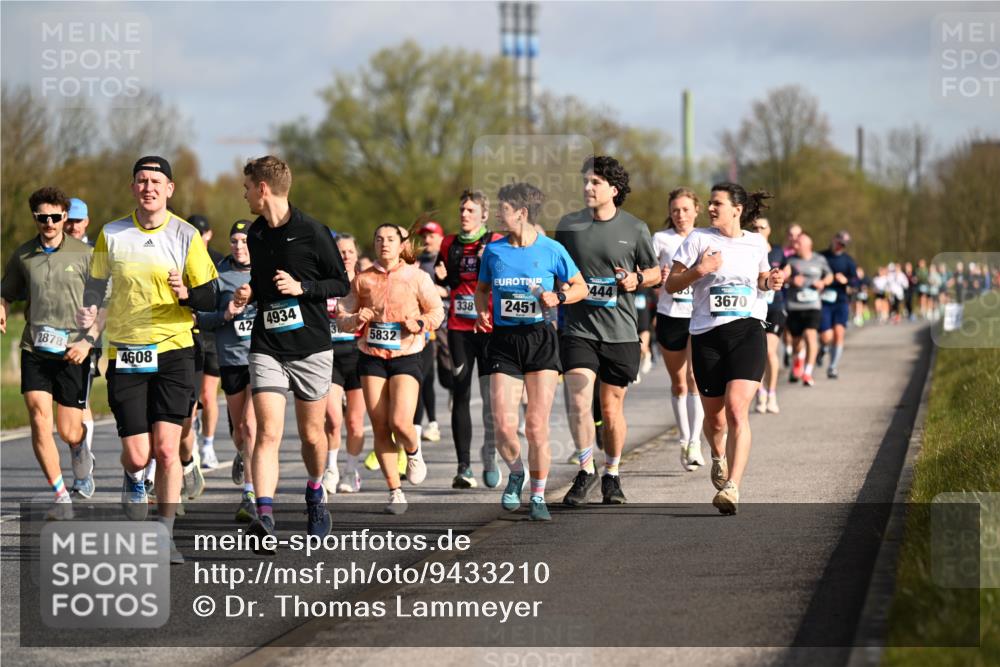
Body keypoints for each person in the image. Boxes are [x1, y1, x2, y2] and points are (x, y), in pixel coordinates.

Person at [78, 156, 218, 563]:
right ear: (133, 187)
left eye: (156, 181)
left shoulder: (185, 234)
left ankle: (164, 534)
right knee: (139, 454)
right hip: (126, 350)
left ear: (170, 189)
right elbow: (95, 284)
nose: (149, 187)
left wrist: (186, 293)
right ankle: (133, 475)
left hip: (174, 348)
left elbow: (210, 296)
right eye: (142, 181)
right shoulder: (112, 234)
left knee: (167, 450)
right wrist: (89, 311)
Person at [231, 155, 349, 552]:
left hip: (312, 348)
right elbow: (263, 284)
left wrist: (303, 289)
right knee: (266, 432)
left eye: (247, 187)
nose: (244, 193)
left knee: (313, 435)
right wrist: (251, 293)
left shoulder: (313, 232)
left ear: (263, 188)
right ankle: (264, 516)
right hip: (267, 346)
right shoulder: (256, 235)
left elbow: (340, 283)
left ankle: (315, 491)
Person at [666, 182, 783, 515]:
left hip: (747, 330)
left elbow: (761, 280)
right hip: (707, 335)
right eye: (710, 203)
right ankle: (717, 455)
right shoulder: (698, 240)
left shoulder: (756, 242)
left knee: (736, 410)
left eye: (717, 203)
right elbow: (672, 284)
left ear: (737, 209)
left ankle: (732, 486)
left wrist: (770, 282)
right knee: (715, 421)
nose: (711, 209)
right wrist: (700, 270)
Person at [475, 182, 587, 521]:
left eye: (503, 209)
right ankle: (516, 472)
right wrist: (482, 309)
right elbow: (482, 289)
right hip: (504, 341)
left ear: (521, 214)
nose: (497, 213)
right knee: (504, 425)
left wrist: (560, 297)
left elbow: (580, 286)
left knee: (537, 426)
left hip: (540, 339)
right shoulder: (494, 252)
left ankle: (537, 495)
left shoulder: (551, 249)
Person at [556, 156, 659, 506]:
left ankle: (612, 474)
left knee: (611, 410)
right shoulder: (568, 226)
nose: (587, 187)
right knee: (579, 399)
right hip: (578, 329)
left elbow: (656, 272)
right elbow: (557, 270)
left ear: (613, 191)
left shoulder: (635, 228)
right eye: (585, 181)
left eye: (595, 182)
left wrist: (637, 279)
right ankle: (586, 469)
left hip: (621, 332)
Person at [1, 187, 98, 520]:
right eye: (43, 217)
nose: (50, 223)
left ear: (64, 217)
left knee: (68, 430)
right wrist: (1, 305)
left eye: (56, 217)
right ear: (35, 218)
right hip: (35, 348)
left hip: (73, 350)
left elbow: (106, 299)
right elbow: (7, 290)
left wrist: (88, 340)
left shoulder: (84, 255)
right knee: (39, 419)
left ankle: (79, 447)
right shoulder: (23, 255)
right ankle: (61, 497)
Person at [336, 224, 444, 514]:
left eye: (391, 239)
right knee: (380, 425)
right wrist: (357, 318)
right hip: (371, 356)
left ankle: (413, 449)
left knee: (400, 422)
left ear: (401, 245)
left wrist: (420, 323)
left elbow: (437, 311)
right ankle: (395, 491)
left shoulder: (417, 277)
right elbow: (341, 316)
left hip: (406, 354)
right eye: (379, 239)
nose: (384, 244)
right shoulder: (363, 279)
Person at [434, 190, 505, 489]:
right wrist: (440, 277)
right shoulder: (448, 244)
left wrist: (488, 261)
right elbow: (445, 281)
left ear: (484, 216)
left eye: (471, 210)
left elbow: (506, 280)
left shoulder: (498, 242)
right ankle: (463, 467)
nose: (464, 214)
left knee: (491, 400)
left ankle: (489, 454)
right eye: (462, 209)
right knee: (460, 394)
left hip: (489, 328)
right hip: (459, 327)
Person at [197, 220, 258, 522]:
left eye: (245, 241)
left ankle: (250, 493)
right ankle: (241, 454)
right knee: (239, 432)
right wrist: (225, 314)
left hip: (262, 359)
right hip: (231, 360)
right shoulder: (218, 276)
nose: (239, 247)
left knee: (249, 425)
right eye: (234, 241)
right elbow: (200, 318)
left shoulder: (267, 272)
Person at [652, 187, 705, 470]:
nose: (680, 215)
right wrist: (656, 278)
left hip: (698, 316)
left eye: (685, 209)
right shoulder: (661, 239)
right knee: (679, 382)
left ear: (697, 210)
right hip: (670, 315)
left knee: (696, 377)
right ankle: (684, 439)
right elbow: (647, 274)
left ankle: (695, 441)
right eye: (675, 210)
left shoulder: (707, 238)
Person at [323, 233, 368, 494]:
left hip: (358, 354)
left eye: (350, 251)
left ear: (356, 254)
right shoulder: (327, 283)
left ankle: (351, 471)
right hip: (330, 356)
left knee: (354, 421)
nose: (346, 256)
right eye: (341, 251)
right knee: (331, 417)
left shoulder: (364, 283)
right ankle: (331, 467)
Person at [186, 214, 223, 469]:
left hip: (213, 335)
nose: (197, 237)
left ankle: (207, 444)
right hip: (187, 334)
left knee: (208, 396)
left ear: (208, 234)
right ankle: (191, 437)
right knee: (191, 399)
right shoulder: (178, 257)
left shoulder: (220, 260)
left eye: (201, 233)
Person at [63, 197, 98, 453]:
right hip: (54, 337)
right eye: (69, 221)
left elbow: (108, 294)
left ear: (86, 222)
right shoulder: (50, 252)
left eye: (78, 221)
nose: (73, 227)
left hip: (86, 338)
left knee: (81, 399)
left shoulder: (98, 254)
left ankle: (83, 464)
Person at [413, 220, 446, 445]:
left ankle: (454, 393)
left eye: (431, 236)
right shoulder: (416, 263)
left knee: (447, 375)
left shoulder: (444, 261)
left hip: (447, 324)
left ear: (441, 238)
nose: (427, 240)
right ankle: (430, 424)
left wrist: (439, 289)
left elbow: (457, 288)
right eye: (424, 236)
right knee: (425, 376)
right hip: (426, 329)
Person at [785, 234, 832, 387]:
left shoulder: (819, 259)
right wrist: (791, 280)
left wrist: (823, 282)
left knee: (811, 335)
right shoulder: (790, 260)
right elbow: (782, 276)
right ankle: (798, 360)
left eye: (798, 243)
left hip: (813, 305)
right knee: (796, 342)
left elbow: (829, 275)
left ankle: (808, 372)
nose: (795, 245)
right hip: (794, 306)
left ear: (807, 245)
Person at [751, 217, 785, 414]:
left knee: (769, 352)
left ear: (769, 230)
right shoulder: (747, 248)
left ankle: (771, 393)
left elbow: (787, 271)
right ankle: (760, 391)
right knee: (758, 354)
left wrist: (781, 277)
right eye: (754, 227)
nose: (757, 230)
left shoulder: (779, 251)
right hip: (755, 307)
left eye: (762, 227)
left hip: (775, 306)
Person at [818, 231, 858, 379]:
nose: (841, 247)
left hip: (841, 300)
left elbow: (856, 281)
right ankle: (823, 348)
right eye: (839, 243)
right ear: (834, 240)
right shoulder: (821, 257)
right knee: (826, 336)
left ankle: (832, 367)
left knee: (839, 333)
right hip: (824, 300)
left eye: (844, 245)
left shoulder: (848, 261)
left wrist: (846, 280)